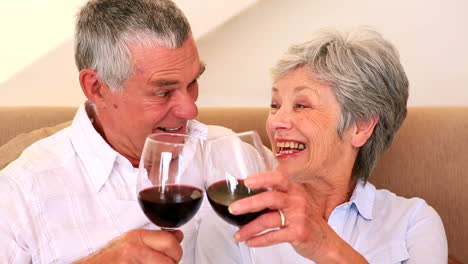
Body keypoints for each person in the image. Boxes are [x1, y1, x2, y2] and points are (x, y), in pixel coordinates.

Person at [0, 0, 233, 263]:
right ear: (97, 88)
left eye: (193, 83)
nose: (190, 110)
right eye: (163, 92)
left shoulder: (233, 155)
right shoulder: (20, 193)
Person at [196, 27, 448, 263]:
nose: (276, 122)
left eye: (301, 105)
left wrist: (324, 246)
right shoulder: (234, 215)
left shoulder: (413, 222)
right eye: (274, 105)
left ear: (360, 127)